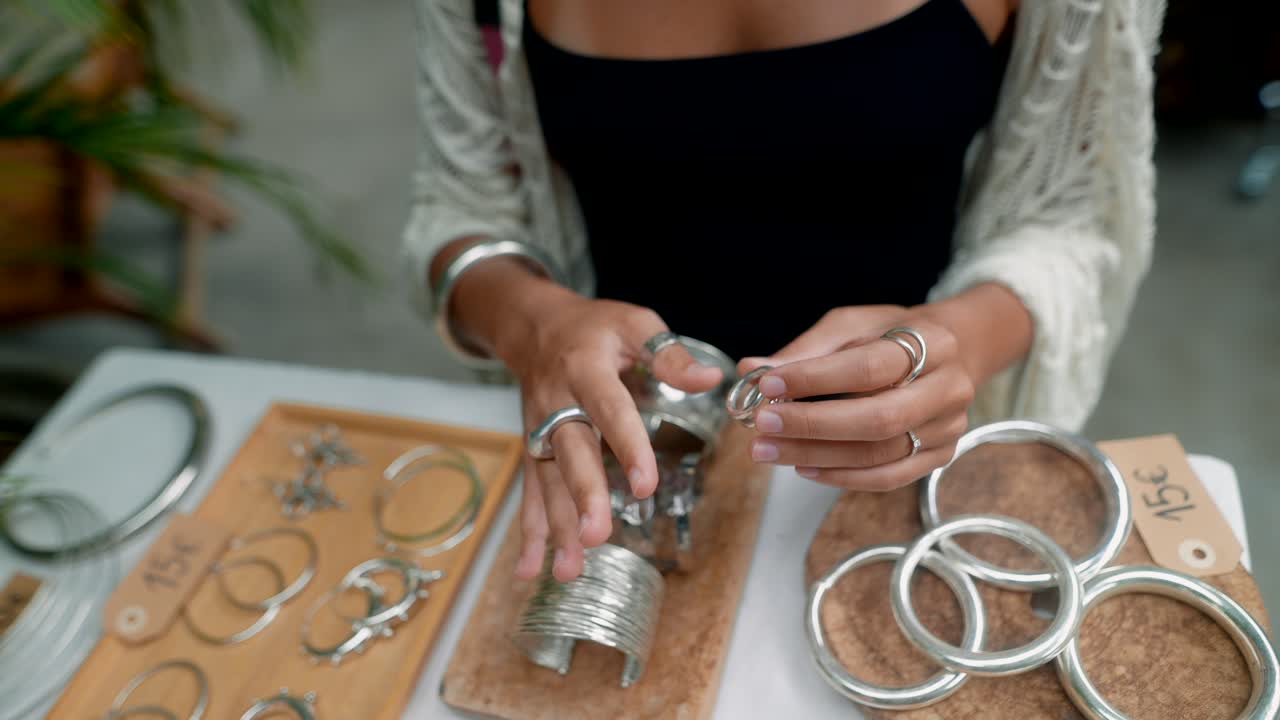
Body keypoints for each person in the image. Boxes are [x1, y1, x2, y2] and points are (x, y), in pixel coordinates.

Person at [402, 0, 1166, 582]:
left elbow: (1077, 212)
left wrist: (962, 340)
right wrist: (532, 320)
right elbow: (462, 201)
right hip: (614, 449)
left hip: (921, 455)